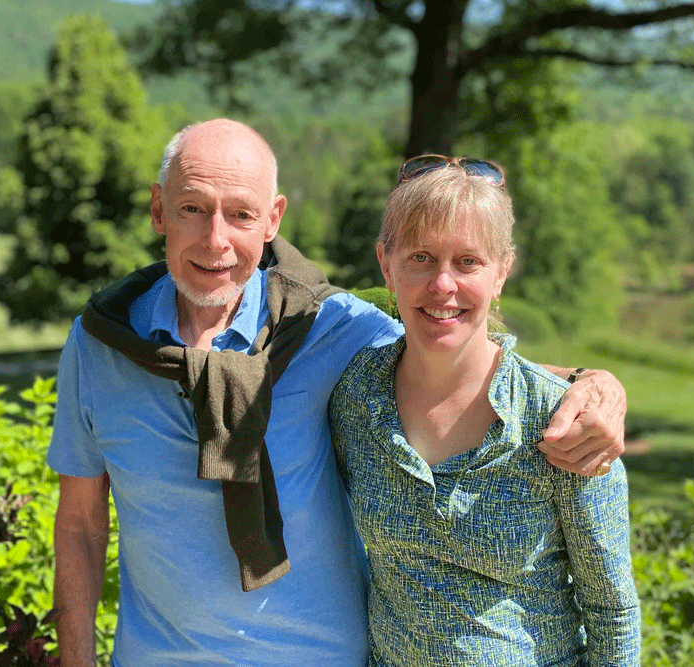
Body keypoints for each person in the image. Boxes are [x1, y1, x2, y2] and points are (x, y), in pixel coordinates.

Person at [48, 119, 631, 667]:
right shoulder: (101, 344)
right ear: (158, 210)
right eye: (192, 209)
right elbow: (78, 523)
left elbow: (457, 349)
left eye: (241, 215)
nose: (216, 239)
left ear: (273, 219)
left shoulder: (329, 330)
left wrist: (591, 386)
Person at [329, 157, 640, 666]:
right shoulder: (354, 396)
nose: (443, 285)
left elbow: (612, 613)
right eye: (422, 258)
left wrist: (597, 381)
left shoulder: (562, 418)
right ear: (387, 265)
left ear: (501, 271)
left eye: (467, 262)